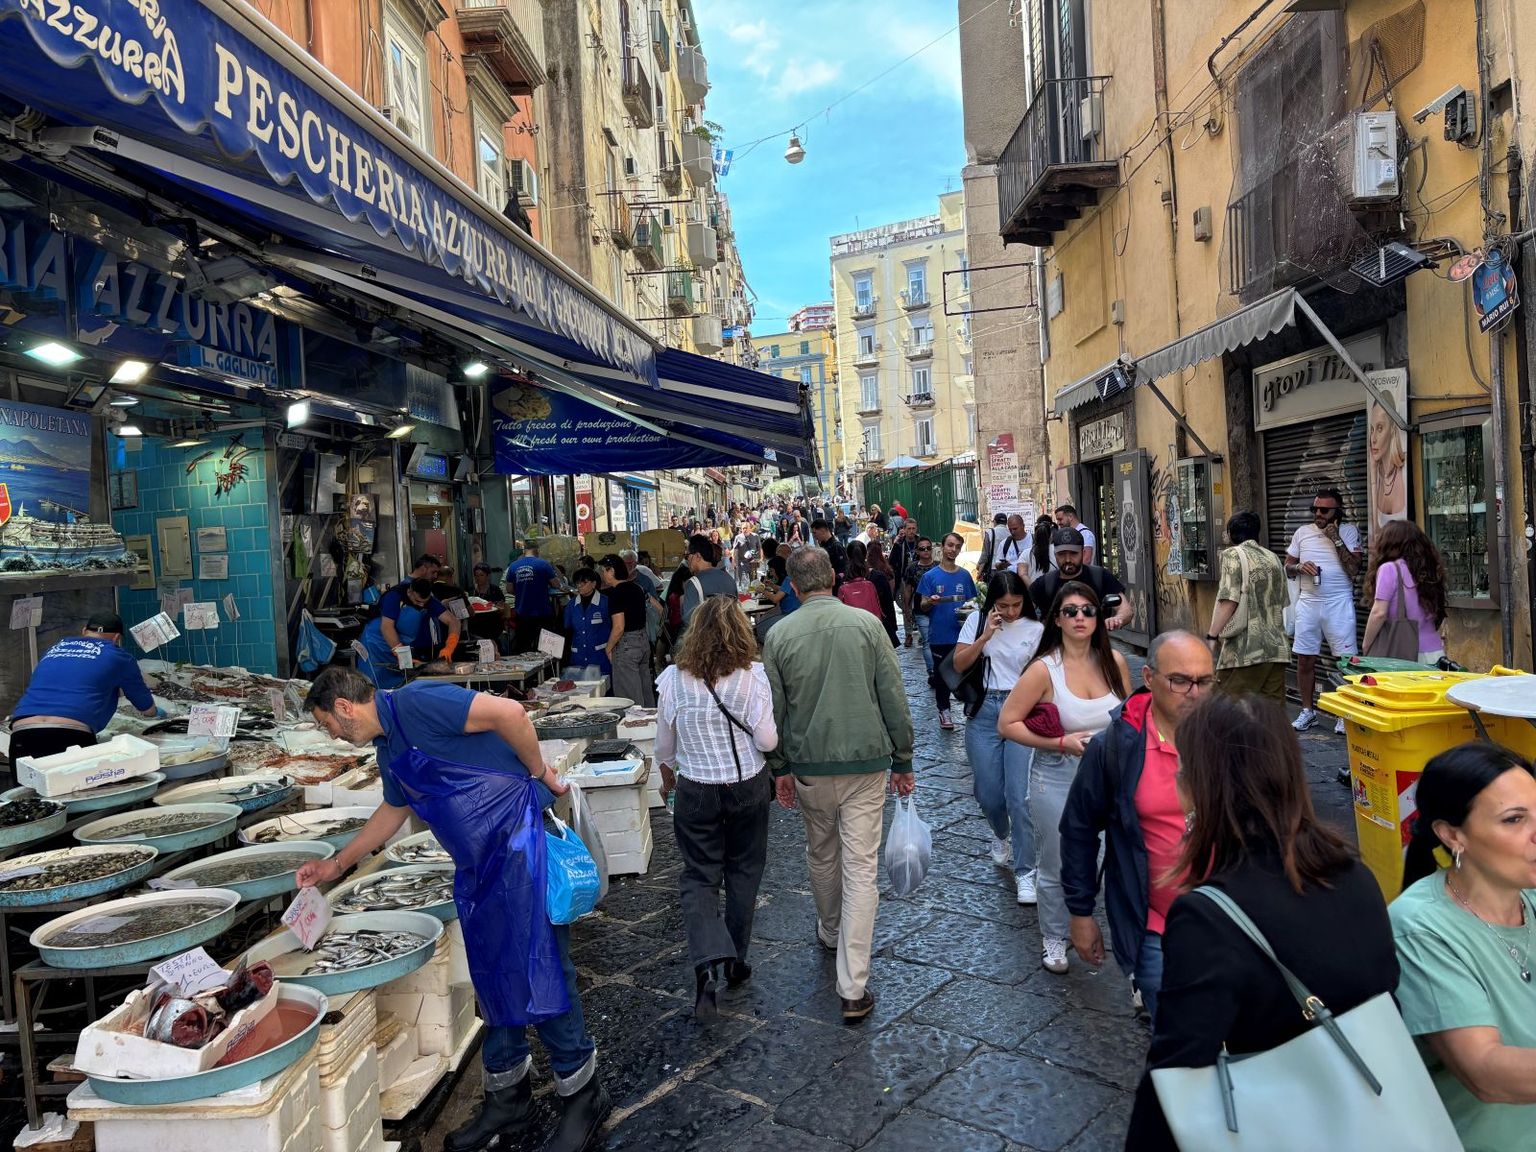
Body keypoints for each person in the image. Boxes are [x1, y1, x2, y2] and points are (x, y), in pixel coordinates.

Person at [296, 669, 607, 1152]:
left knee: (542, 969)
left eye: (326, 724)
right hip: (481, 866)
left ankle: (583, 1094)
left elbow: (511, 713)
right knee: (493, 974)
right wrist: (336, 864)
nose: (331, 735)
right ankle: (508, 1097)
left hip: (522, 849)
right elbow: (392, 811)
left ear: (342, 706)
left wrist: (539, 772)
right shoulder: (388, 748)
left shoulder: (417, 702)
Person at [1126, 693, 1397, 1150]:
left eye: (1183, 768)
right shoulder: (1356, 877)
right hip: (1362, 1119)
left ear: (1199, 787)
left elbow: (1177, 1072)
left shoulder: (1207, 916)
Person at [763, 547, 915, 1024]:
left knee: (822, 853)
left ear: (792, 585)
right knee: (861, 867)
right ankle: (853, 986)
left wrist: (779, 767)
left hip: (809, 763)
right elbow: (893, 697)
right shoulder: (868, 626)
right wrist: (903, 758)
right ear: (832, 576)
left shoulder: (778, 634)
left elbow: (774, 711)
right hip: (865, 762)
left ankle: (830, 929)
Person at [1057, 630, 1214, 1011]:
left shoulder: (1231, 739)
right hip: (1156, 926)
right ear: (1148, 677)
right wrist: (1081, 913)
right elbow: (1079, 830)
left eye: (1205, 681)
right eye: (1180, 681)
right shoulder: (1115, 747)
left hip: (1229, 922)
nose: (1194, 693)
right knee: (1174, 1030)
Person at [1392, 742, 1536, 1150]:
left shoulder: (1528, 895)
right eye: (1514, 820)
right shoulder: (1420, 927)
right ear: (1452, 835)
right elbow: (1485, 1071)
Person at [654, 596, 778, 1020]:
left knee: (699, 876)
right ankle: (736, 961)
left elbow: (664, 748)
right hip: (746, 785)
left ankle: (706, 965)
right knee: (743, 872)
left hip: (696, 788)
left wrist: (667, 778)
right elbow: (767, 741)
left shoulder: (673, 679)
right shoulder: (753, 677)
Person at [997, 583, 1130, 975]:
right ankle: (1054, 935)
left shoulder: (1115, 662)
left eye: (1088, 610)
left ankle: (1090, 924)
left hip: (1108, 776)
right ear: (1056, 619)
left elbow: (1130, 718)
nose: (1080, 618)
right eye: (1070, 611)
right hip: (1056, 776)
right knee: (1057, 860)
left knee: (1107, 858)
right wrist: (1059, 742)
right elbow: (1007, 723)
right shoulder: (1044, 670)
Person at [953, 572, 1043, 903]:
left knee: (1020, 797)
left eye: (1016, 604)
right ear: (992, 602)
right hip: (985, 712)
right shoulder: (977, 621)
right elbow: (959, 664)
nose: (1010, 612)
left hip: (1021, 709)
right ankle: (1000, 832)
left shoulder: (1036, 629)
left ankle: (1026, 872)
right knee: (988, 792)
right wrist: (985, 637)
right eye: (1003, 605)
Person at [9, 612, 162, 764]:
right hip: (70, 734)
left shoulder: (54, 649)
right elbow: (144, 704)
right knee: (78, 781)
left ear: (84, 631)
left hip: (22, 731)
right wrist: (155, 713)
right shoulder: (119, 656)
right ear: (116, 638)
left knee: (28, 780)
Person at [1285, 486, 1361, 733]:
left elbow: (1354, 569)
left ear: (1337, 511)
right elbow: (1288, 566)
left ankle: (1344, 713)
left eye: (1324, 510)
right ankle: (1308, 711)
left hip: (1338, 602)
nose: (1318, 513)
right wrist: (1299, 568)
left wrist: (1335, 538)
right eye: (1315, 509)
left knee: (1345, 661)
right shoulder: (1302, 532)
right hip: (1309, 601)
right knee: (1304, 658)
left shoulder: (1349, 532)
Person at [1204, 510, 1289, 701]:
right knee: (1271, 714)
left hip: (1245, 650)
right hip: (1277, 649)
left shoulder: (1232, 554)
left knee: (1226, 707)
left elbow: (1229, 600)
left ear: (1231, 534)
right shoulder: (1273, 557)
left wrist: (1212, 636)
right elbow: (1282, 600)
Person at [1362, 519, 1448, 664]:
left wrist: (1366, 645)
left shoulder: (1389, 569)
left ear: (1389, 543)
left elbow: (1379, 613)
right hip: (1435, 652)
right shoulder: (1428, 570)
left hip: (1404, 656)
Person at [915, 532, 978, 731]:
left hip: (963, 635)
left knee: (967, 673)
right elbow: (922, 605)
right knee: (942, 675)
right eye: (950, 545)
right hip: (940, 635)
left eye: (957, 546)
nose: (953, 550)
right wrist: (930, 602)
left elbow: (973, 602)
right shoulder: (929, 577)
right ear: (942, 547)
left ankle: (969, 703)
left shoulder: (965, 576)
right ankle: (944, 710)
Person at [359, 576, 461, 687]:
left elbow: (453, 621)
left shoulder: (427, 600)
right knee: (375, 685)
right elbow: (387, 627)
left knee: (400, 684)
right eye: (418, 601)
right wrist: (402, 654)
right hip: (375, 644)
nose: (422, 605)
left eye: (424, 602)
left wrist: (449, 646)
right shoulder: (394, 596)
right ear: (409, 592)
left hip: (398, 646)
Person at [1027, 527, 1133, 630]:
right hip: (1055, 641)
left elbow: (1125, 610)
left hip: (1095, 640)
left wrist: (1117, 619)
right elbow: (1022, 610)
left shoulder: (1100, 576)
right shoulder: (1044, 583)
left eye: (1073, 553)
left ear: (1083, 552)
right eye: (1061, 554)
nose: (1068, 559)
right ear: (1055, 555)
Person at [598, 553, 655, 707]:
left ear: (611, 571)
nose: (602, 575)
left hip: (626, 645)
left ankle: (636, 721)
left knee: (630, 696)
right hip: (643, 641)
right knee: (645, 690)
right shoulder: (637, 588)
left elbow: (619, 627)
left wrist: (608, 648)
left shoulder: (616, 593)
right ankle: (650, 719)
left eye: (604, 571)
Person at [506, 541, 564, 653]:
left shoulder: (513, 566)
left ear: (524, 551)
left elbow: (509, 589)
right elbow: (556, 584)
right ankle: (548, 664)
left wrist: (522, 591)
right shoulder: (543, 564)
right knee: (547, 648)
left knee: (524, 647)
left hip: (522, 612)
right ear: (537, 550)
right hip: (542, 612)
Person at [839, 541, 897, 645]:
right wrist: (892, 628)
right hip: (875, 629)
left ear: (848, 556)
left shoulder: (842, 580)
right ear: (865, 554)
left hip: (853, 632)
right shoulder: (878, 577)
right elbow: (888, 605)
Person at [561, 568, 610, 677]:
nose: (580, 586)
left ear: (594, 584)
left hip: (600, 658)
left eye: (584, 583)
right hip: (578, 658)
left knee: (602, 686)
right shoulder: (571, 605)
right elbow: (566, 629)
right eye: (578, 583)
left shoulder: (605, 603)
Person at [1369, 393, 1409, 529]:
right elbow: (1375, 532)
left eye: (1380, 428)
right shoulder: (1376, 475)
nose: (1373, 439)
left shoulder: (1405, 470)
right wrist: (1373, 471)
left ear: (1392, 429)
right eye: (1372, 429)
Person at [681, 534, 738, 625]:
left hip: (704, 633)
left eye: (687, 556)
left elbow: (689, 621)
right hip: (730, 632)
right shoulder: (729, 579)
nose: (687, 560)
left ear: (698, 556)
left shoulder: (693, 583)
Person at [903, 536, 938, 662]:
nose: (926, 551)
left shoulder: (939, 566)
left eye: (928, 548)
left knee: (938, 639)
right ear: (917, 551)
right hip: (920, 609)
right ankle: (931, 670)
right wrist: (906, 609)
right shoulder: (911, 568)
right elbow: (907, 590)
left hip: (939, 609)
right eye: (922, 549)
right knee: (927, 640)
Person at [865, 540, 902, 646]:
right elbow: (891, 590)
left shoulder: (865, 570)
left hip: (870, 608)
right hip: (885, 607)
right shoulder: (886, 569)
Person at [1017, 515, 1055, 584]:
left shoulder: (1026, 553)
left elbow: (1022, 574)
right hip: (1054, 589)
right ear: (1051, 535)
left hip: (1033, 588)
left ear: (1035, 536)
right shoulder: (1057, 551)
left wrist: (1032, 588)